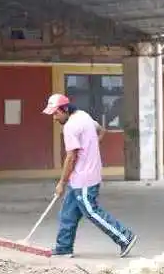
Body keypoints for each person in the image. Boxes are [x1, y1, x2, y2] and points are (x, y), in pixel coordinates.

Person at [42, 93, 138, 258]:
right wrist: (91, 147)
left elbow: (71, 157)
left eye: (56, 113)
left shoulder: (70, 127)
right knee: (67, 213)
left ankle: (125, 237)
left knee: (91, 212)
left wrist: (61, 183)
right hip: (80, 176)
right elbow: (102, 130)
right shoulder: (83, 116)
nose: (54, 118)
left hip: (84, 179)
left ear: (65, 109)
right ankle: (64, 247)